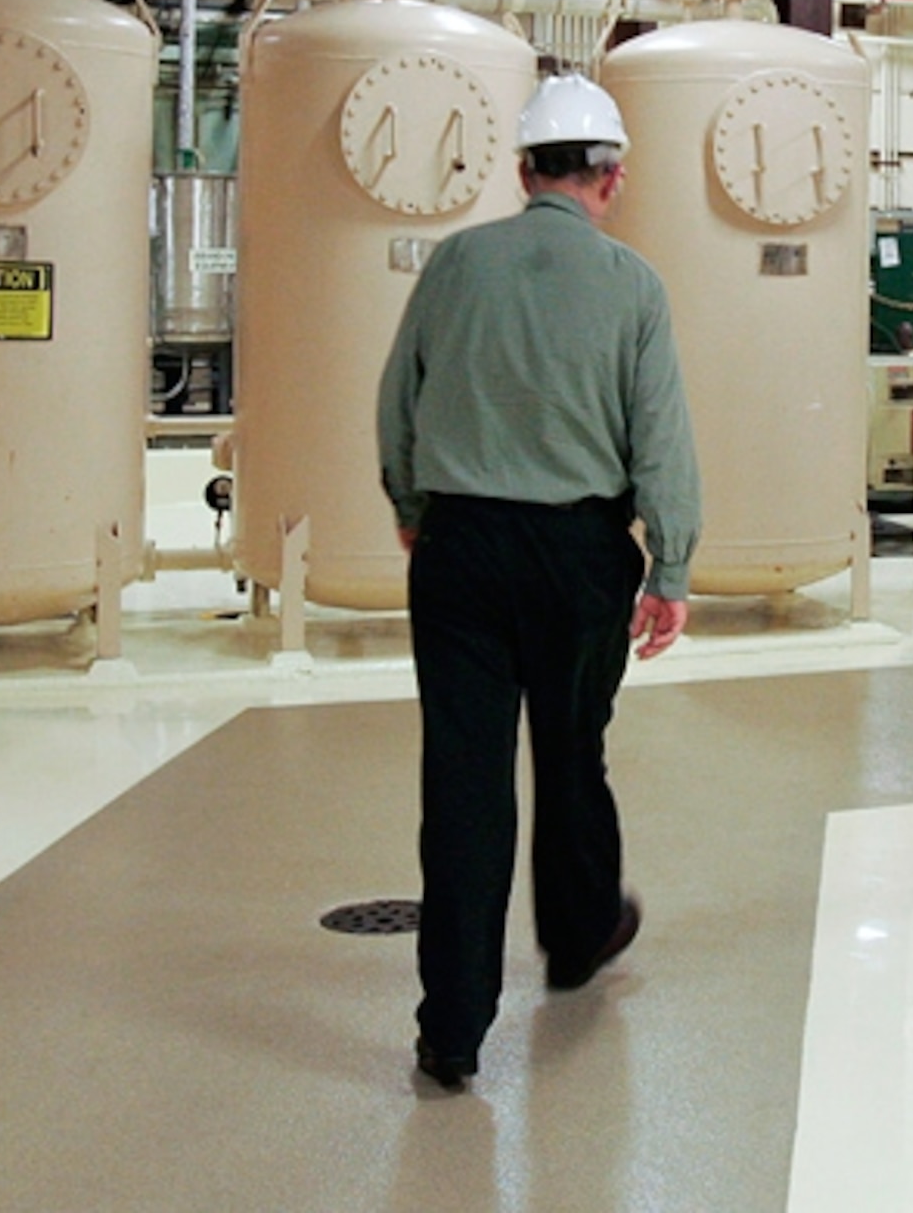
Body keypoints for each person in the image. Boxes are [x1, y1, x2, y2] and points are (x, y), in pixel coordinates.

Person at [376, 72, 700, 1093]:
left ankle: (453, 1029)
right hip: (578, 552)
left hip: (462, 548)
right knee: (572, 752)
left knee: (463, 781)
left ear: (524, 171)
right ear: (612, 176)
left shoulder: (456, 262)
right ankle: (576, 934)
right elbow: (662, 438)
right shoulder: (633, 284)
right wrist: (674, 563)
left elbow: (399, 401)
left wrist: (417, 510)